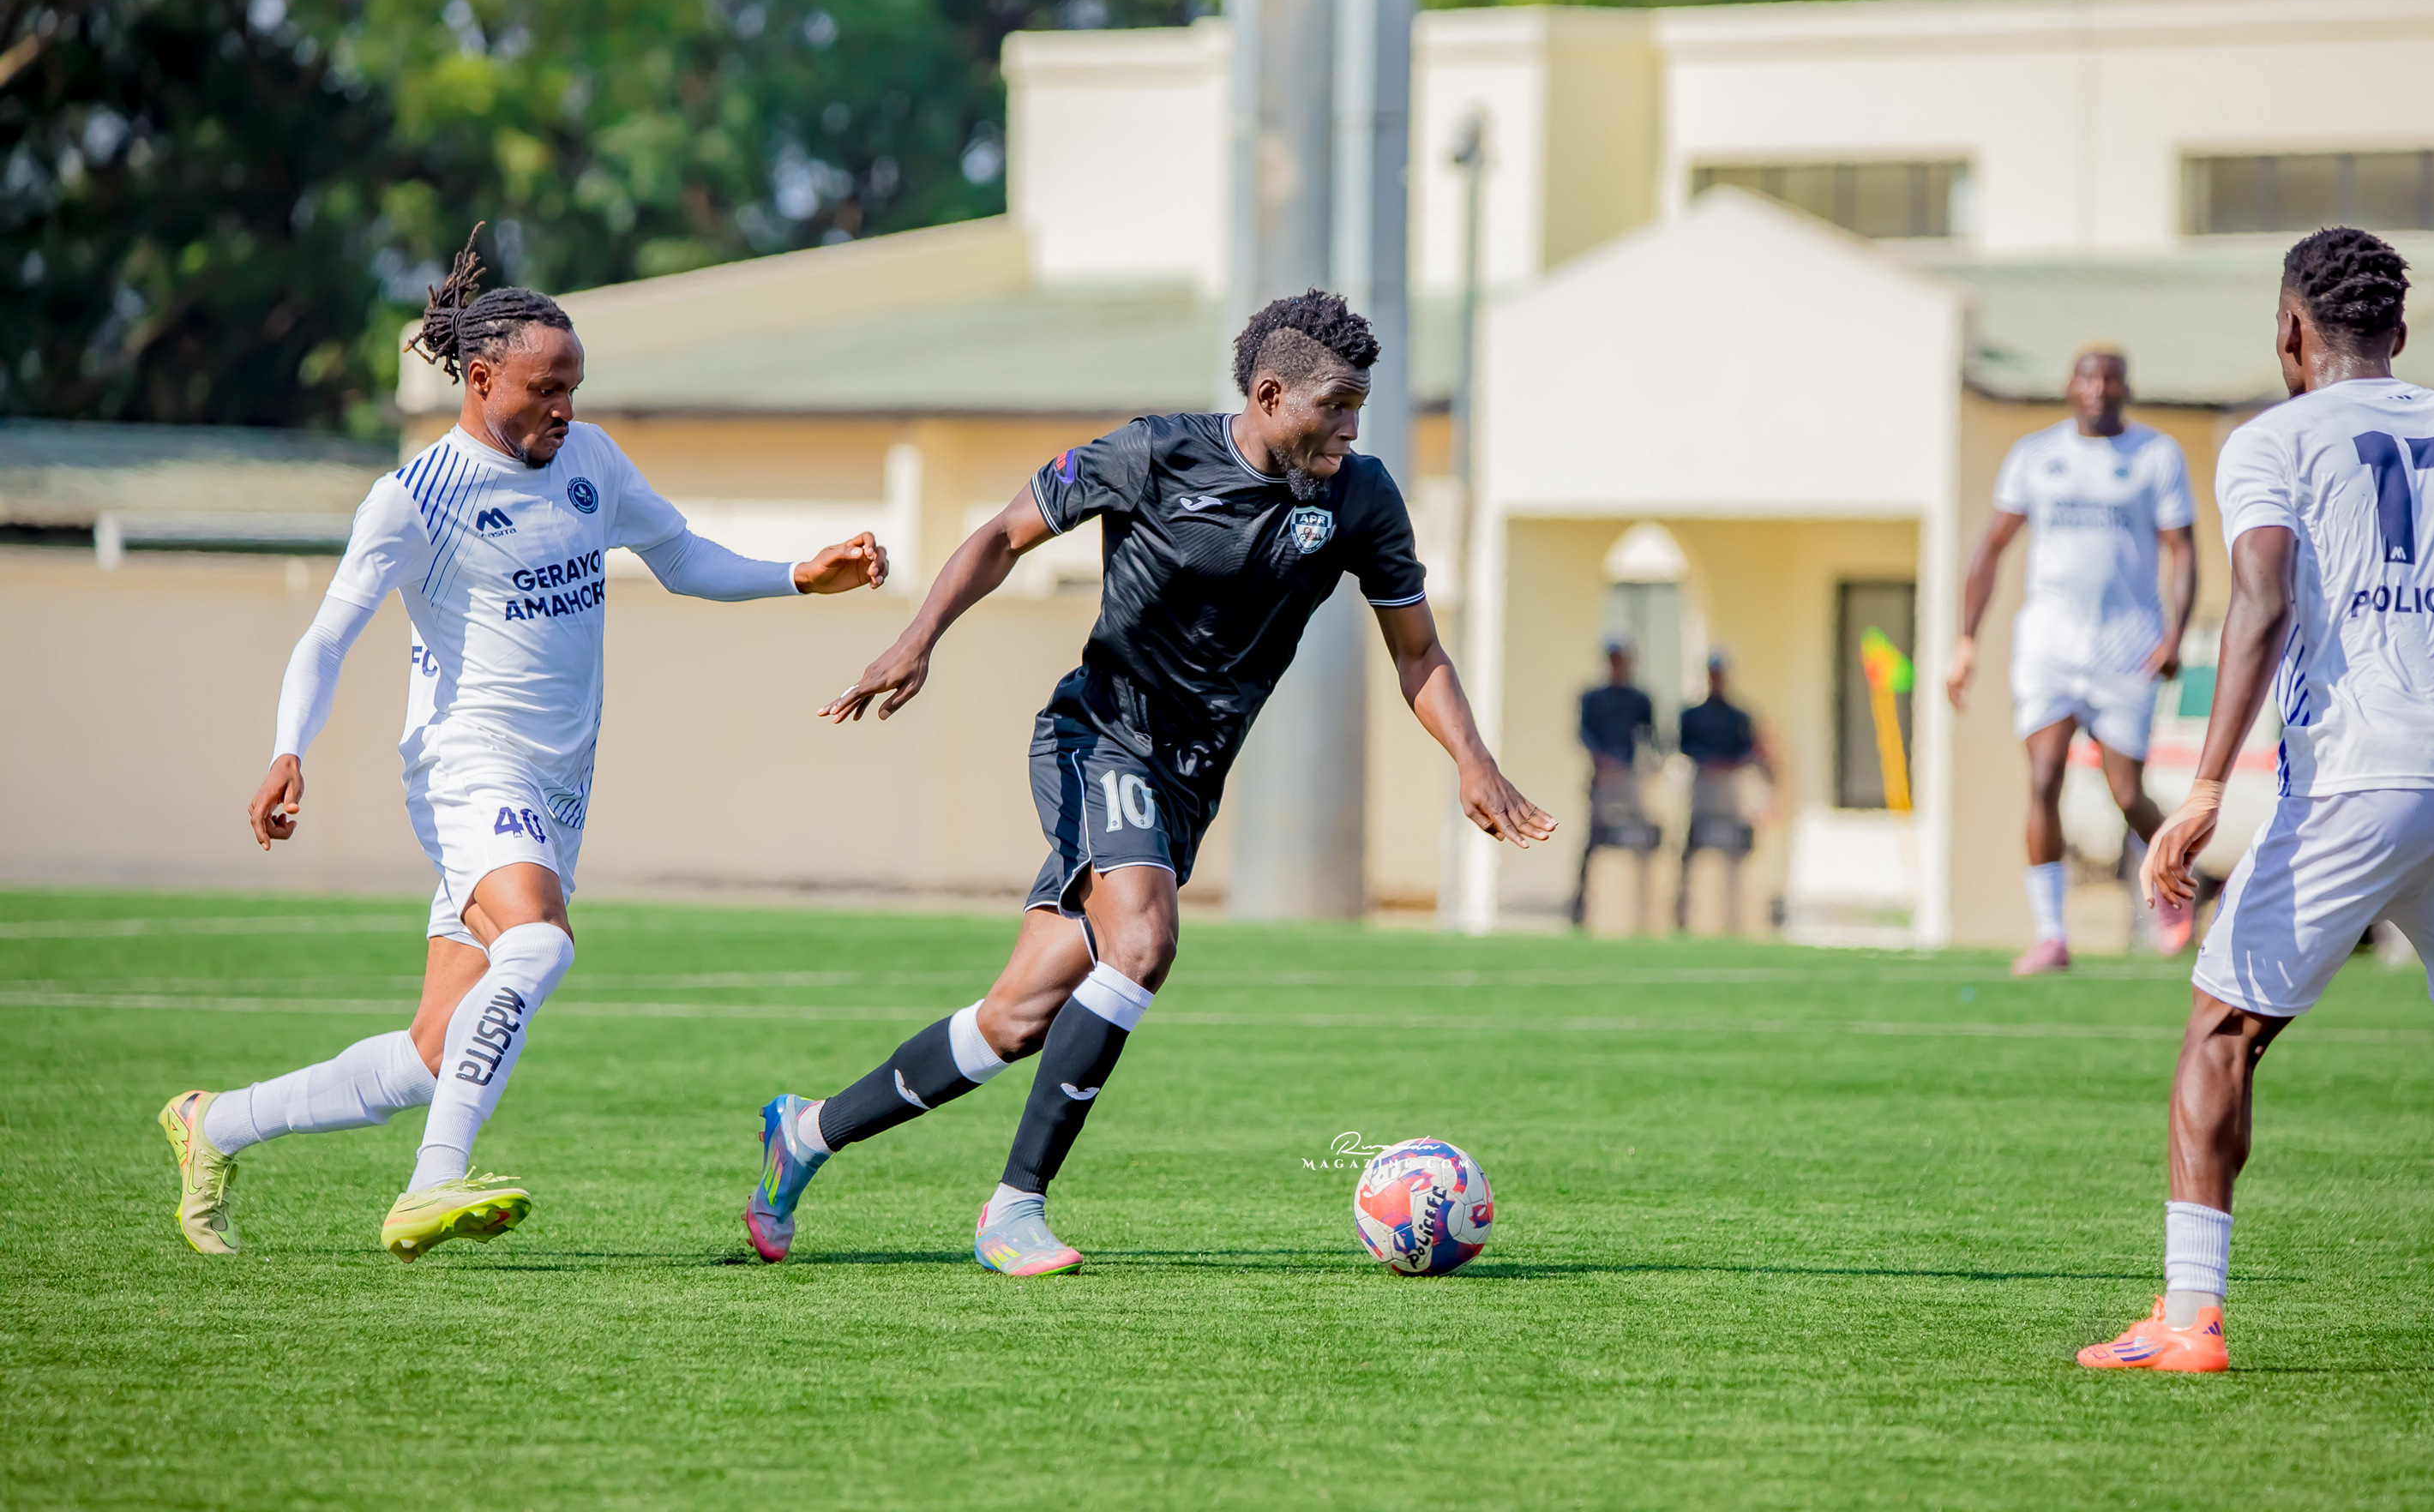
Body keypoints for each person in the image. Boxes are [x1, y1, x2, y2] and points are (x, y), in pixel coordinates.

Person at [741, 289, 1555, 1276]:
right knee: (1144, 941)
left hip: (1187, 784)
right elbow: (1002, 534)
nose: (1351, 428)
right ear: (1270, 394)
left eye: (1359, 407)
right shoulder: (1149, 454)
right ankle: (1014, 1207)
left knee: (1015, 1018)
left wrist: (1473, 758)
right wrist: (917, 640)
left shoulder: (1361, 498)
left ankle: (806, 1133)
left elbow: (1417, 650)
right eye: (1336, 405)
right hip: (1099, 738)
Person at [157, 230, 886, 1262]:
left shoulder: (590, 459)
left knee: (430, 1054)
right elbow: (327, 636)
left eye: (574, 388)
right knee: (538, 942)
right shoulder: (416, 496)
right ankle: (430, 1184)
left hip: (560, 780)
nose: (566, 409)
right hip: (468, 761)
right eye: (546, 389)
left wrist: (799, 577)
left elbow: (680, 555)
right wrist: (288, 748)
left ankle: (213, 1122)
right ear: (482, 379)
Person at [2082, 226, 2434, 1374]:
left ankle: (2189, 1321)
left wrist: (2206, 785)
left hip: (2362, 774)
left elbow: (2258, 603)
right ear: (2398, 331)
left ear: (2292, 330)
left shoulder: (2273, 438)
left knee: (2222, 1032)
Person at [1948, 345, 2199, 975]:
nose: (2100, 389)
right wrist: (1966, 641)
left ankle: (2176, 884)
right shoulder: (2035, 456)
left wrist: (2176, 634)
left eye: (2112, 379)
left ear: (2125, 388)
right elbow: (1991, 549)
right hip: (2050, 647)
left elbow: (2183, 550)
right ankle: (2051, 935)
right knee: (2042, 779)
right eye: (2090, 378)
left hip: (2126, 646)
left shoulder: (2156, 456)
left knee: (2125, 792)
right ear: (2070, 387)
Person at [1675, 651, 1772, 935]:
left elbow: (1750, 749)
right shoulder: (1692, 716)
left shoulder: (1740, 716)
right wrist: (1711, 762)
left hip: (1732, 791)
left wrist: (1730, 765)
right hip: (1705, 790)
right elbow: (1685, 746)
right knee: (1694, 850)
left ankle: (1741, 921)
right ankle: (1685, 917)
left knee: (1738, 855)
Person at [1571, 634, 1659, 929]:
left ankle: (1643, 911)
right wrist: (1603, 761)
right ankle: (1582, 910)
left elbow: (1651, 739)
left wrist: (1646, 772)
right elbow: (1584, 734)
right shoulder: (1593, 698)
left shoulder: (1640, 700)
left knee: (1641, 843)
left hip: (1632, 781)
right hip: (1603, 781)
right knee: (1595, 841)